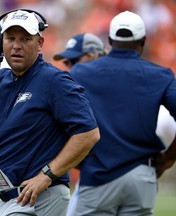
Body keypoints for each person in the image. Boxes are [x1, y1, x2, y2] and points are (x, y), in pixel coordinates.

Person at [0, 9, 100, 216]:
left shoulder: (55, 81)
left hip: (40, 196)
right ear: (1, 43)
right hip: (9, 197)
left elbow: (88, 133)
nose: (16, 46)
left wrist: (46, 175)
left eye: (25, 39)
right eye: (10, 38)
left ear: (40, 44)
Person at [69, 10, 176, 216]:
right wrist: (169, 157)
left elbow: (57, 118)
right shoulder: (161, 75)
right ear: (143, 41)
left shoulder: (81, 72)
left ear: (109, 40)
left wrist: (77, 159)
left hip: (98, 172)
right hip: (141, 173)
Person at [53, 33, 107, 216]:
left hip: (100, 176)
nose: (70, 68)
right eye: (67, 63)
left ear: (94, 55)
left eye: (75, 60)